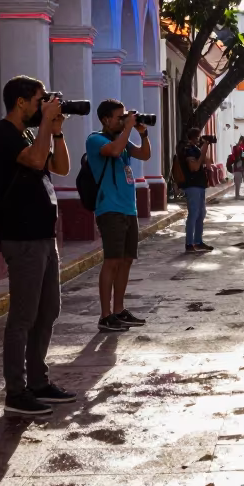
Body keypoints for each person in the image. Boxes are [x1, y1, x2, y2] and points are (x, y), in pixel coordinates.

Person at [0, 75, 76, 417]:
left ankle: (38, 381)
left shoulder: (29, 134)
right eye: (40, 101)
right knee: (22, 316)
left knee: (48, 309)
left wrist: (57, 129)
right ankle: (16, 391)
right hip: (21, 238)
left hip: (43, 236)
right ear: (21, 102)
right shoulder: (2, 134)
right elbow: (37, 162)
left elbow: (61, 168)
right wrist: (46, 130)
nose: (43, 106)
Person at [87, 100, 151, 332]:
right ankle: (105, 315)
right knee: (112, 261)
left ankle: (119, 310)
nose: (123, 120)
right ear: (105, 120)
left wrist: (142, 134)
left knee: (125, 261)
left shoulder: (123, 141)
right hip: (110, 208)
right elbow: (113, 151)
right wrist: (127, 129)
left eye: (125, 116)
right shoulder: (96, 139)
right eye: (119, 117)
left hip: (128, 209)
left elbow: (144, 155)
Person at [182, 128, 215, 253]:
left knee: (201, 214)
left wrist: (204, 147)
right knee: (193, 214)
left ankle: (198, 241)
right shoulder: (188, 150)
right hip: (192, 186)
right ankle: (189, 243)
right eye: (199, 137)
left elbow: (208, 162)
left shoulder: (195, 149)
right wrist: (202, 151)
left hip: (200, 185)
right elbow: (194, 167)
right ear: (194, 138)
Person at [228, 136, 244, 202]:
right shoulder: (235, 148)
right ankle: (237, 195)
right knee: (237, 182)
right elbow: (233, 156)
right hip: (237, 167)